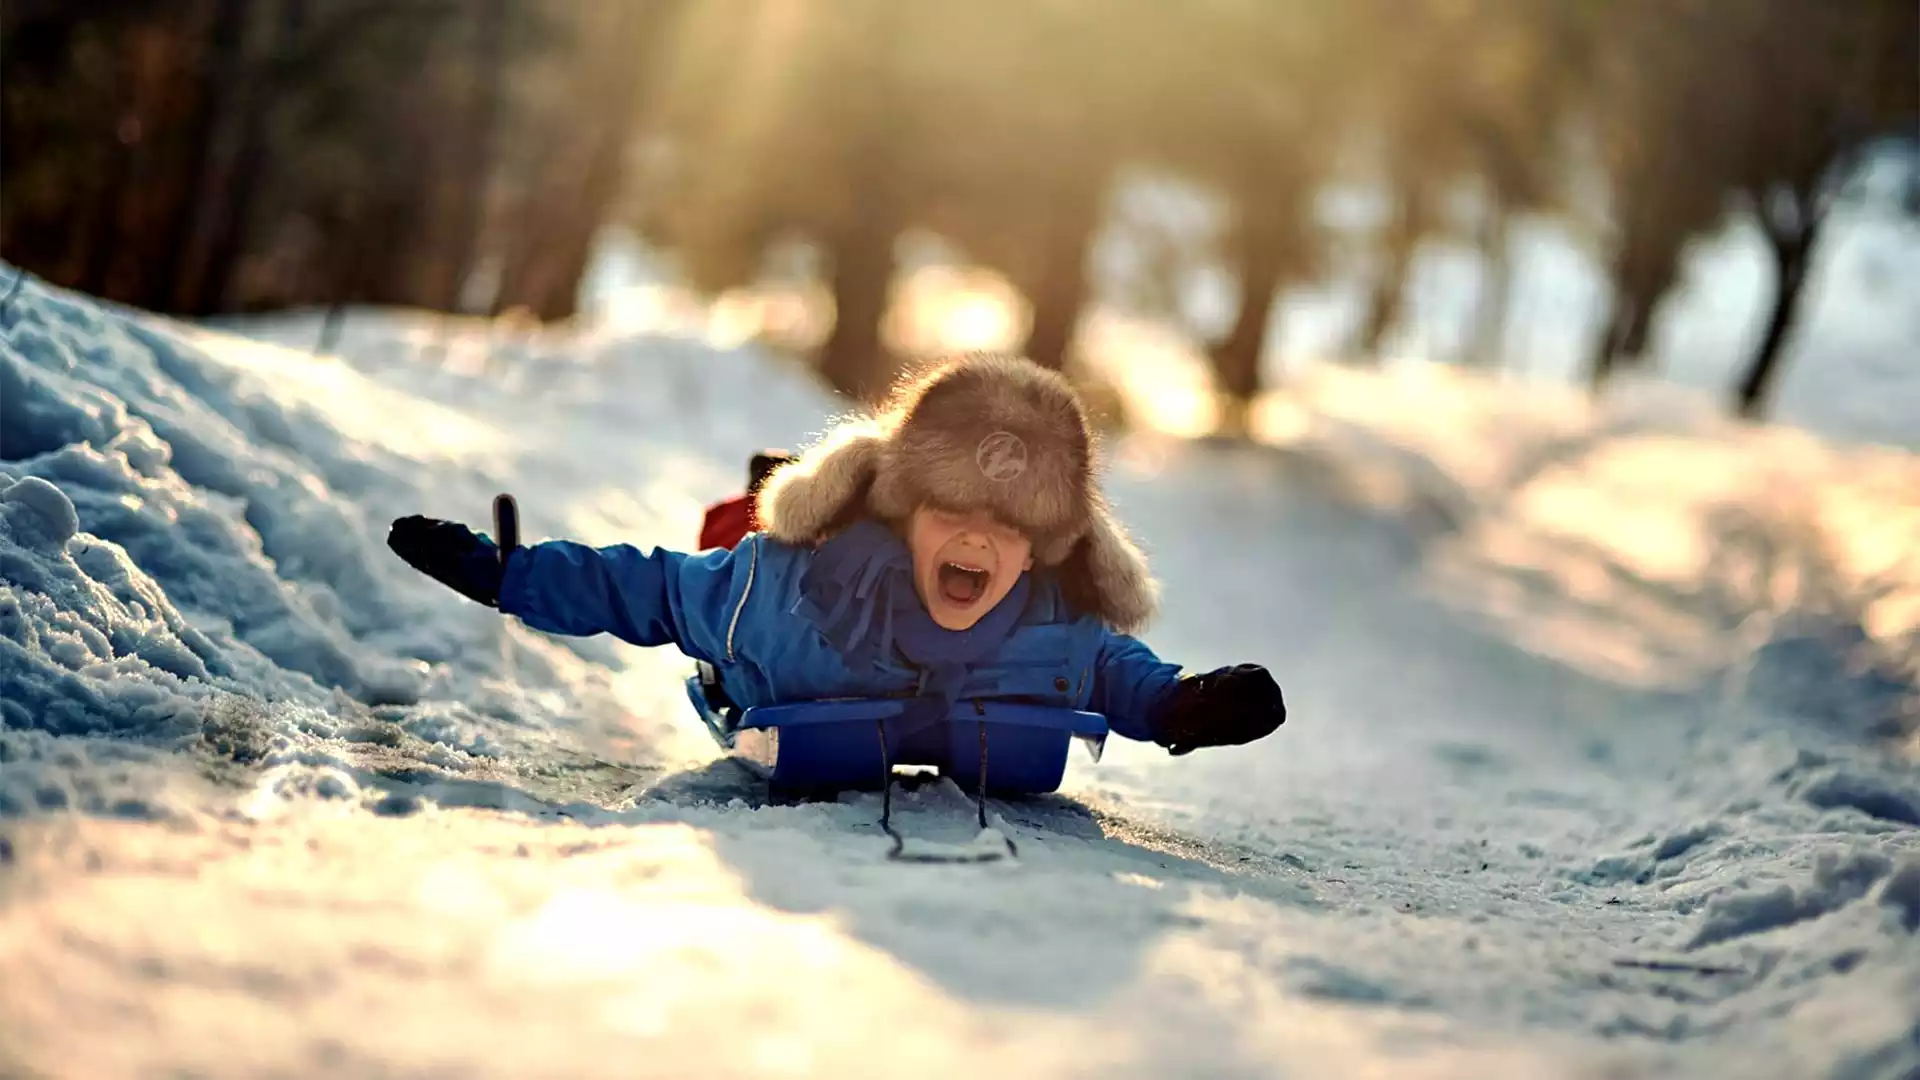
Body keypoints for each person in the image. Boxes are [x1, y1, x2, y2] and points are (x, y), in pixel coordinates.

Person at [386, 352, 1285, 761]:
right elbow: (651, 589)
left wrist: (1181, 704)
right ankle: (764, 489)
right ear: (904, 511)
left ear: (1045, 548)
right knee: (737, 538)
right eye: (952, 510)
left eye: (1009, 529)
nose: (978, 539)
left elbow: (1113, 672)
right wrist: (509, 574)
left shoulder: (1053, 622)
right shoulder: (785, 596)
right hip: (778, 655)